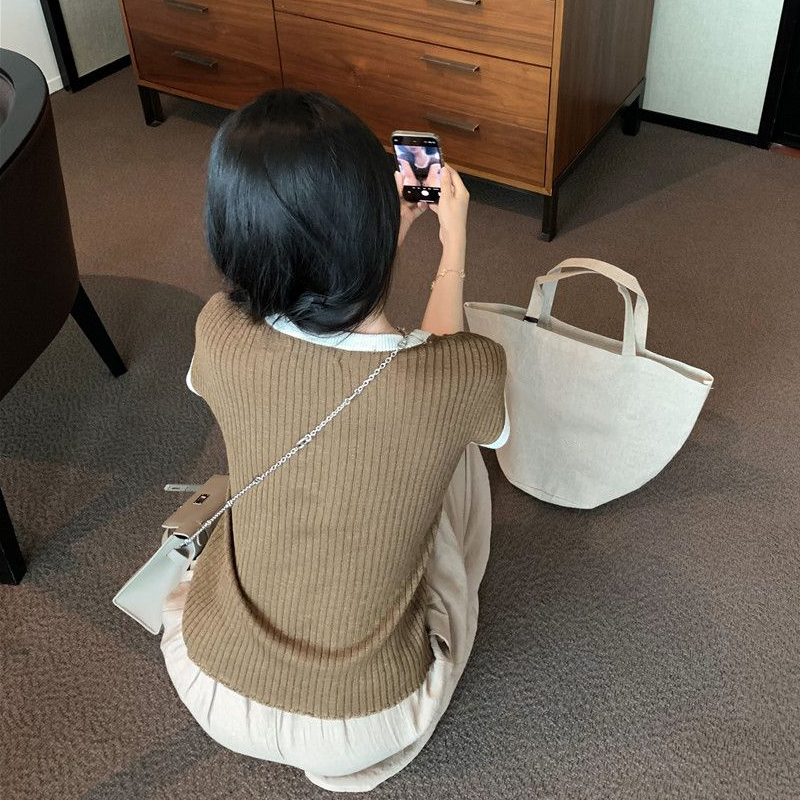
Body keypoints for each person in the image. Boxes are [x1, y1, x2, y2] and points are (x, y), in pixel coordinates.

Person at [160, 89, 508, 792]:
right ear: (367, 220)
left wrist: (373, 244)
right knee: (459, 452)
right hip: (369, 719)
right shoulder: (464, 373)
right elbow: (434, 366)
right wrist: (452, 248)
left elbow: (314, 332)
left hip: (207, 679)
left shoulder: (217, 331)